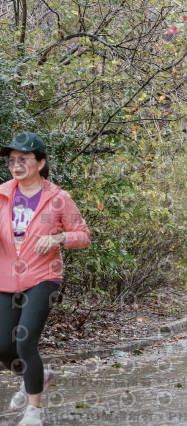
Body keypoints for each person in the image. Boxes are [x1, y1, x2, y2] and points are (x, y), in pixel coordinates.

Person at [0, 132, 91, 426]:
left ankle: (34, 411)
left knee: (25, 341)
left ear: (40, 163)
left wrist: (59, 238)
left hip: (43, 277)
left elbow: (83, 236)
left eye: (23, 159)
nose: (16, 165)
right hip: (5, 279)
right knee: (3, 347)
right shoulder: (2, 194)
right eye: (12, 160)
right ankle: (37, 377)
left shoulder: (58, 198)